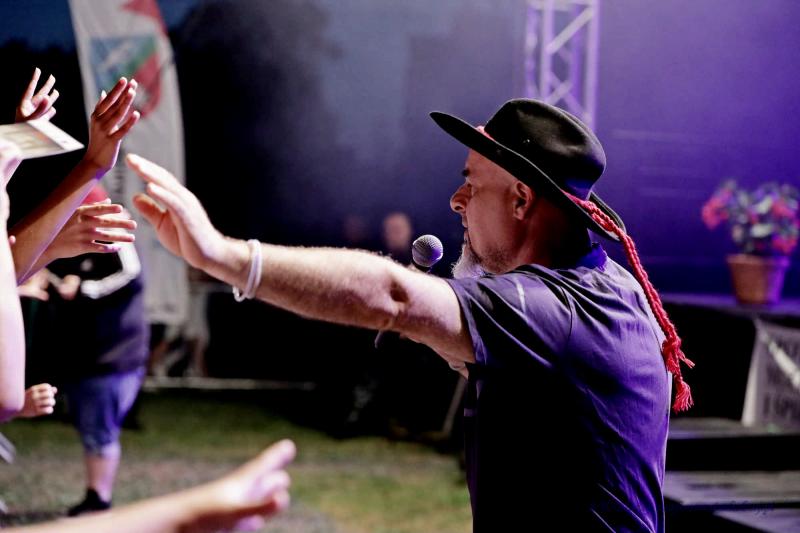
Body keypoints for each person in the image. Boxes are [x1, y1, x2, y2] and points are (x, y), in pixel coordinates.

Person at [127, 98, 695, 532]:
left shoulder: (556, 312)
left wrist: (224, 256)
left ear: (521, 200)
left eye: (471, 183)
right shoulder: (605, 289)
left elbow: (394, 297)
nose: (456, 200)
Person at [1, 139, 295, 533]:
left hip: (114, 355)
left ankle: (98, 499)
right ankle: (97, 497)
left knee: (100, 429)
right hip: (89, 355)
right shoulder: (76, 248)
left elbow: (126, 277)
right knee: (91, 425)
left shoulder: (118, 246)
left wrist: (77, 287)